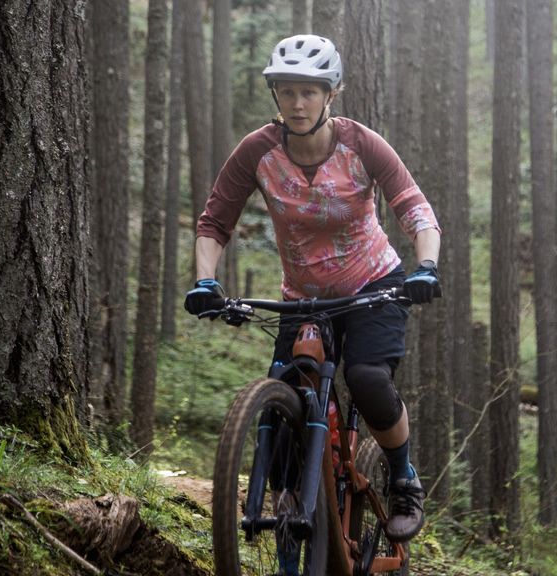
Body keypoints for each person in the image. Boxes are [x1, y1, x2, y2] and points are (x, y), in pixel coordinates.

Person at [184, 34, 441, 543]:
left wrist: (426, 267)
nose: (297, 103)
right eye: (286, 91)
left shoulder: (360, 144)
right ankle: (284, 497)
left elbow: (415, 209)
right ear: (275, 95)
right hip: (304, 296)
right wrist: (206, 281)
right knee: (289, 384)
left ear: (331, 94)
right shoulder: (257, 151)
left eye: (309, 91)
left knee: (367, 378)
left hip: (373, 284)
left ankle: (405, 479)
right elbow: (214, 224)